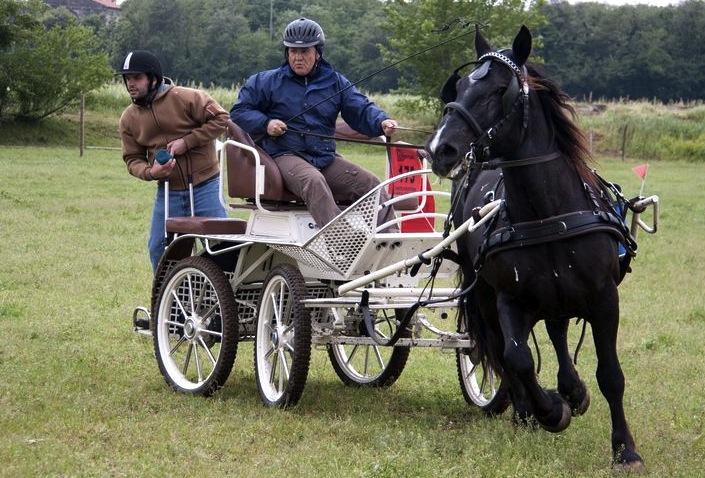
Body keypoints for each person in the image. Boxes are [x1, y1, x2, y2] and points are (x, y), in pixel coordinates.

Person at [229, 17, 399, 232]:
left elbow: (361, 108)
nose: (298, 58)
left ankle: (390, 242)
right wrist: (266, 123)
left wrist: (381, 122)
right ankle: (342, 243)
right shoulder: (265, 81)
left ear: (317, 53)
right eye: (293, 52)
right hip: (285, 155)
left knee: (370, 184)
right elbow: (239, 112)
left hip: (324, 157)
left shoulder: (335, 82)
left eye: (305, 52)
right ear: (287, 53)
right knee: (313, 181)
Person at [117, 50, 229, 272]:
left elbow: (222, 119)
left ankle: (223, 299)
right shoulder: (128, 118)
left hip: (206, 185)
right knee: (157, 248)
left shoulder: (186, 97)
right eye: (127, 79)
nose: (131, 84)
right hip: (168, 191)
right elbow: (132, 159)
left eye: (137, 78)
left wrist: (187, 142)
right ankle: (168, 301)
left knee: (220, 244)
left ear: (153, 79)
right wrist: (151, 172)